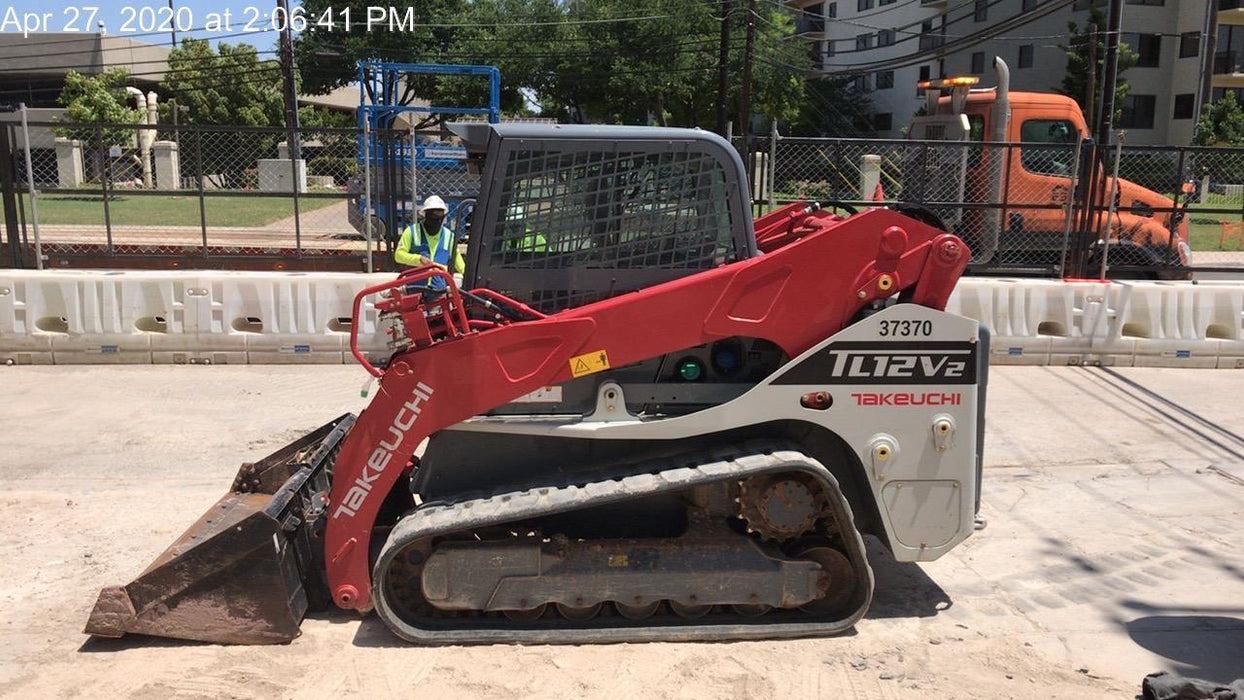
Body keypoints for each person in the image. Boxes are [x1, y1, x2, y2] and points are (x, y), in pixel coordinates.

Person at [394, 195, 465, 291]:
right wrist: (418, 259)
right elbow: (398, 255)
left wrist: (467, 274)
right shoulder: (412, 232)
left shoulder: (449, 236)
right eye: (434, 216)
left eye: (441, 216)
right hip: (414, 289)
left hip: (438, 290)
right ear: (426, 214)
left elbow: (458, 262)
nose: (438, 220)